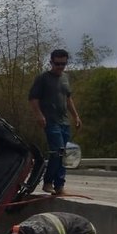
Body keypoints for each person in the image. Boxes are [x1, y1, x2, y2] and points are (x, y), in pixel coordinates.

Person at [28, 49, 82, 195]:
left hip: (64, 121)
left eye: (63, 64)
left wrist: (76, 116)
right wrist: (39, 115)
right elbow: (33, 98)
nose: (60, 67)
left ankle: (59, 185)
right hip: (50, 121)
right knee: (58, 151)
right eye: (57, 63)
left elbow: (68, 99)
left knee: (67, 153)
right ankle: (48, 182)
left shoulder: (65, 78)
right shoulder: (43, 78)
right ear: (51, 62)